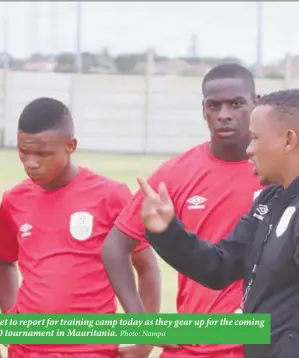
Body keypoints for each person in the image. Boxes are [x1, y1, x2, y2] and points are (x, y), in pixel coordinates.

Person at [136, 88, 299, 358]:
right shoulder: (273, 197)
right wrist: (166, 231)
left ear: (288, 140)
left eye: (256, 138)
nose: (249, 149)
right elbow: (220, 265)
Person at [101, 63, 265, 358]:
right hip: (191, 345)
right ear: (204, 110)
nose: (224, 114)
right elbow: (115, 246)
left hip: (259, 344)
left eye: (236, 103)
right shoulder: (177, 173)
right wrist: (142, 326)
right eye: (214, 105)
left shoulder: (277, 172)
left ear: (257, 103)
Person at [0, 97, 153, 358]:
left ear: (71, 146)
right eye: (24, 152)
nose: (31, 163)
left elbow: (146, 267)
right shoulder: (14, 200)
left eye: (43, 154)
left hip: (91, 350)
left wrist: (145, 339)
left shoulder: (110, 195)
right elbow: (4, 263)